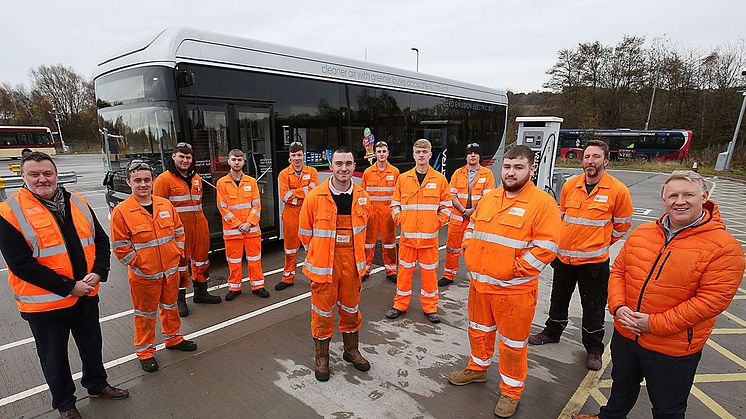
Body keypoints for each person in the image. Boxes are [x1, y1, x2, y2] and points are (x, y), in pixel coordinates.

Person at [573, 170, 745, 419]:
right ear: (663, 199)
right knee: (620, 389)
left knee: (668, 408)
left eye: (688, 195)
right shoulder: (643, 233)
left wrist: (654, 324)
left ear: (704, 197)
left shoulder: (724, 248)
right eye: (673, 195)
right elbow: (619, 271)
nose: (680, 201)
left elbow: (711, 301)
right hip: (627, 335)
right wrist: (618, 308)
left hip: (672, 347)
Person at [0, 152, 128, 419]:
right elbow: (21, 264)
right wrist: (70, 286)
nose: (42, 179)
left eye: (47, 173)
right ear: (22, 177)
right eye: (34, 174)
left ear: (56, 175)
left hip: (86, 294)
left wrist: (99, 272)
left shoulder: (78, 202)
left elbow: (101, 241)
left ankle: (96, 384)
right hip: (45, 306)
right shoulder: (9, 211)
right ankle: (65, 404)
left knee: (92, 346)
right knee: (54, 358)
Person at [448, 145, 561, 418]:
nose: (511, 172)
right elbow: (472, 228)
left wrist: (513, 269)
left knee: (512, 345)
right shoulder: (491, 198)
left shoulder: (542, 203)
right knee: (478, 331)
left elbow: (546, 248)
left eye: (518, 167)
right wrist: (469, 252)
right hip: (480, 286)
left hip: (514, 292)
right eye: (508, 166)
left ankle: (511, 392)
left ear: (531, 169)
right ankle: (477, 368)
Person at [530, 140, 633, 371]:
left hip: (593, 262)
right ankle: (552, 331)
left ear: (606, 161)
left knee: (594, 306)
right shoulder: (570, 185)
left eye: (596, 157)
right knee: (558, 299)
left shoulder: (618, 191)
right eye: (587, 156)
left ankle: (594, 348)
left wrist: (600, 243)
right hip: (564, 258)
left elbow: (622, 227)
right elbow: (562, 217)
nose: (590, 161)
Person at [111, 160, 198, 373]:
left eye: (147, 180)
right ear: (128, 182)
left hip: (169, 272)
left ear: (152, 181)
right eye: (137, 180)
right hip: (144, 276)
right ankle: (145, 351)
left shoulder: (164, 205)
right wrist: (139, 263)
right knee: (145, 315)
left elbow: (178, 231)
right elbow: (120, 247)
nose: (143, 184)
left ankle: (173, 338)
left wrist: (176, 254)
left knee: (170, 308)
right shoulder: (122, 212)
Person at [298, 147, 371, 381]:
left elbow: (366, 233)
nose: (344, 168)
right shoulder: (314, 197)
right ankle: (322, 359)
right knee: (322, 314)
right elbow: (304, 234)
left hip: (352, 264)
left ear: (353, 166)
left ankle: (351, 351)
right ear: (331, 167)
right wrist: (319, 255)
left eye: (348, 164)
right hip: (323, 267)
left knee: (351, 310)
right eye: (339, 163)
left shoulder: (362, 196)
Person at [386, 139, 451, 323]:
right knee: (404, 274)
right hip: (407, 239)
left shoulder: (439, 179)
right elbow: (394, 205)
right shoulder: (403, 179)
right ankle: (400, 304)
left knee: (430, 276)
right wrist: (401, 220)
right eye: (418, 152)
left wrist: (436, 223)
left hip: (429, 241)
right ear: (413, 155)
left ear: (431, 154)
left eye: (424, 151)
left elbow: (446, 207)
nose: (421, 155)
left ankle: (430, 308)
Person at [153, 142, 221, 317]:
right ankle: (180, 299)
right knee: (180, 265)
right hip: (178, 231)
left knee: (201, 261)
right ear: (174, 156)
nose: (185, 160)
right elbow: (158, 210)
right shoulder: (163, 180)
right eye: (181, 156)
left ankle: (200, 292)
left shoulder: (196, 178)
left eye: (188, 157)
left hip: (200, 228)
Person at [216, 149, 270, 300]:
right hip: (233, 231)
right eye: (234, 159)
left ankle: (258, 286)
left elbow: (257, 205)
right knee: (233, 262)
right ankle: (234, 288)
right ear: (229, 161)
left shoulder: (251, 181)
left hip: (251, 230)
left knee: (255, 260)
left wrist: (248, 223)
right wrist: (239, 224)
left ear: (244, 162)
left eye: (239, 160)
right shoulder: (221, 183)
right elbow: (222, 207)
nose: (237, 162)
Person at [440, 142, 495, 286]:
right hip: (458, 218)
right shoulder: (458, 173)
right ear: (466, 156)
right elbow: (451, 195)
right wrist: (464, 211)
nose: (472, 155)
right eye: (470, 153)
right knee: (452, 249)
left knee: (476, 250)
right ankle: (448, 275)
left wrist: (472, 211)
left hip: (476, 220)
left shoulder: (487, 174)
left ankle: (477, 278)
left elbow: (487, 197)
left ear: (479, 157)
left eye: (476, 153)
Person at [277, 141, 319, 290]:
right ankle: (288, 278)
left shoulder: (312, 172)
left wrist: (295, 194)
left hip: (309, 213)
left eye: (299, 155)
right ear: (289, 156)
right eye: (294, 155)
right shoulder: (283, 174)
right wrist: (305, 192)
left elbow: (314, 192)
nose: (297, 158)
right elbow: (285, 196)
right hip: (290, 214)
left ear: (303, 155)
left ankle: (314, 278)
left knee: (311, 247)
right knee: (290, 248)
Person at [361, 141, 400, 283]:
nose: (382, 154)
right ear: (375, 154)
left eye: (384, 151)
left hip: (388, 214)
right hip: (371, 214)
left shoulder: (395, 172)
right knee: (367, 243)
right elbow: (362, 196)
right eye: (379, 151)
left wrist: (396, 213)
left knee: (389, 244)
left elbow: (398, 196)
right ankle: (365, 270)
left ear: (388, 153)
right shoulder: (368, 172)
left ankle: (391, 271)